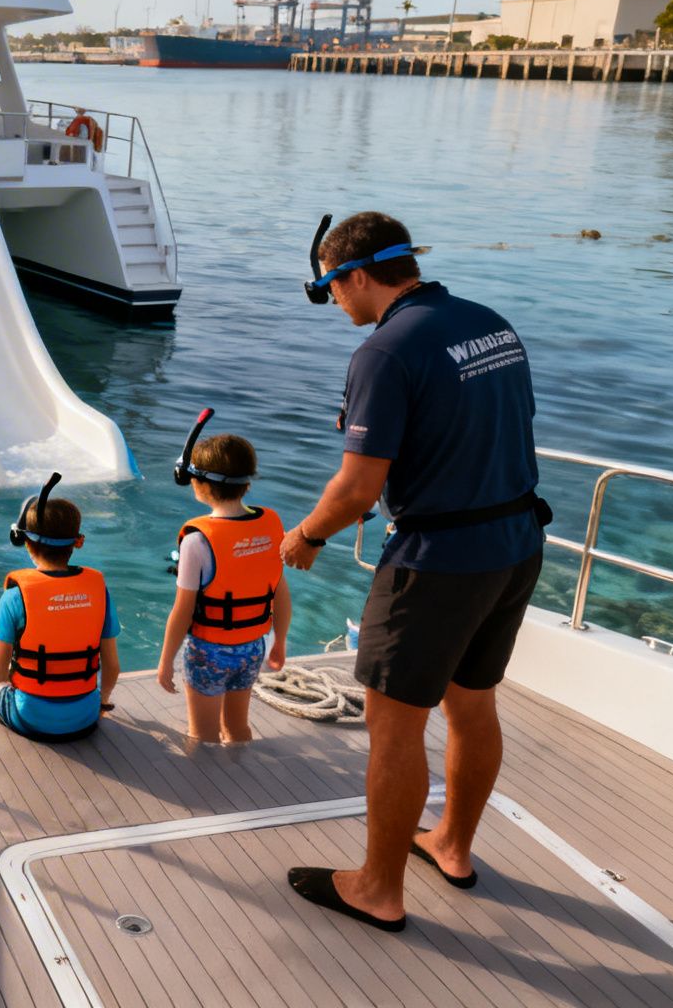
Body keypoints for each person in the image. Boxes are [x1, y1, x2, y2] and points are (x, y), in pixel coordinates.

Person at [278, 211, 546, 934]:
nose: (336, 304)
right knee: (473, 701)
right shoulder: (489, 322)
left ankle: (377, 887)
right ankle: (453, 846)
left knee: (394, 730)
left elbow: (358, 489)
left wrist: (304, 537)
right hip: (517, 543)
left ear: (356, 276)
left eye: (331, 290)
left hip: (438, 563)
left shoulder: (384, 352)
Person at [0, 473, 121, 744]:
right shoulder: (99, 590)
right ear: (76, 542)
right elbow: (112, 667)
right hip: (86, 716)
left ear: (26, 542)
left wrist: (20, 670)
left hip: (30, 718)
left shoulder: (15, 598)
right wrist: (101, 703)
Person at [156, 423, 290, 742]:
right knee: (237, 727)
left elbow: (183, 611)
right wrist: (280, 641)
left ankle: (207, 791)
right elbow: (280, 593)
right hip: (252, 648)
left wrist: (165, 661)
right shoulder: (271, 523)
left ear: (199, 484)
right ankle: (242, 782)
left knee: (203, 735)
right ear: (246, 483)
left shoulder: (197, 542)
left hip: (209, 652)